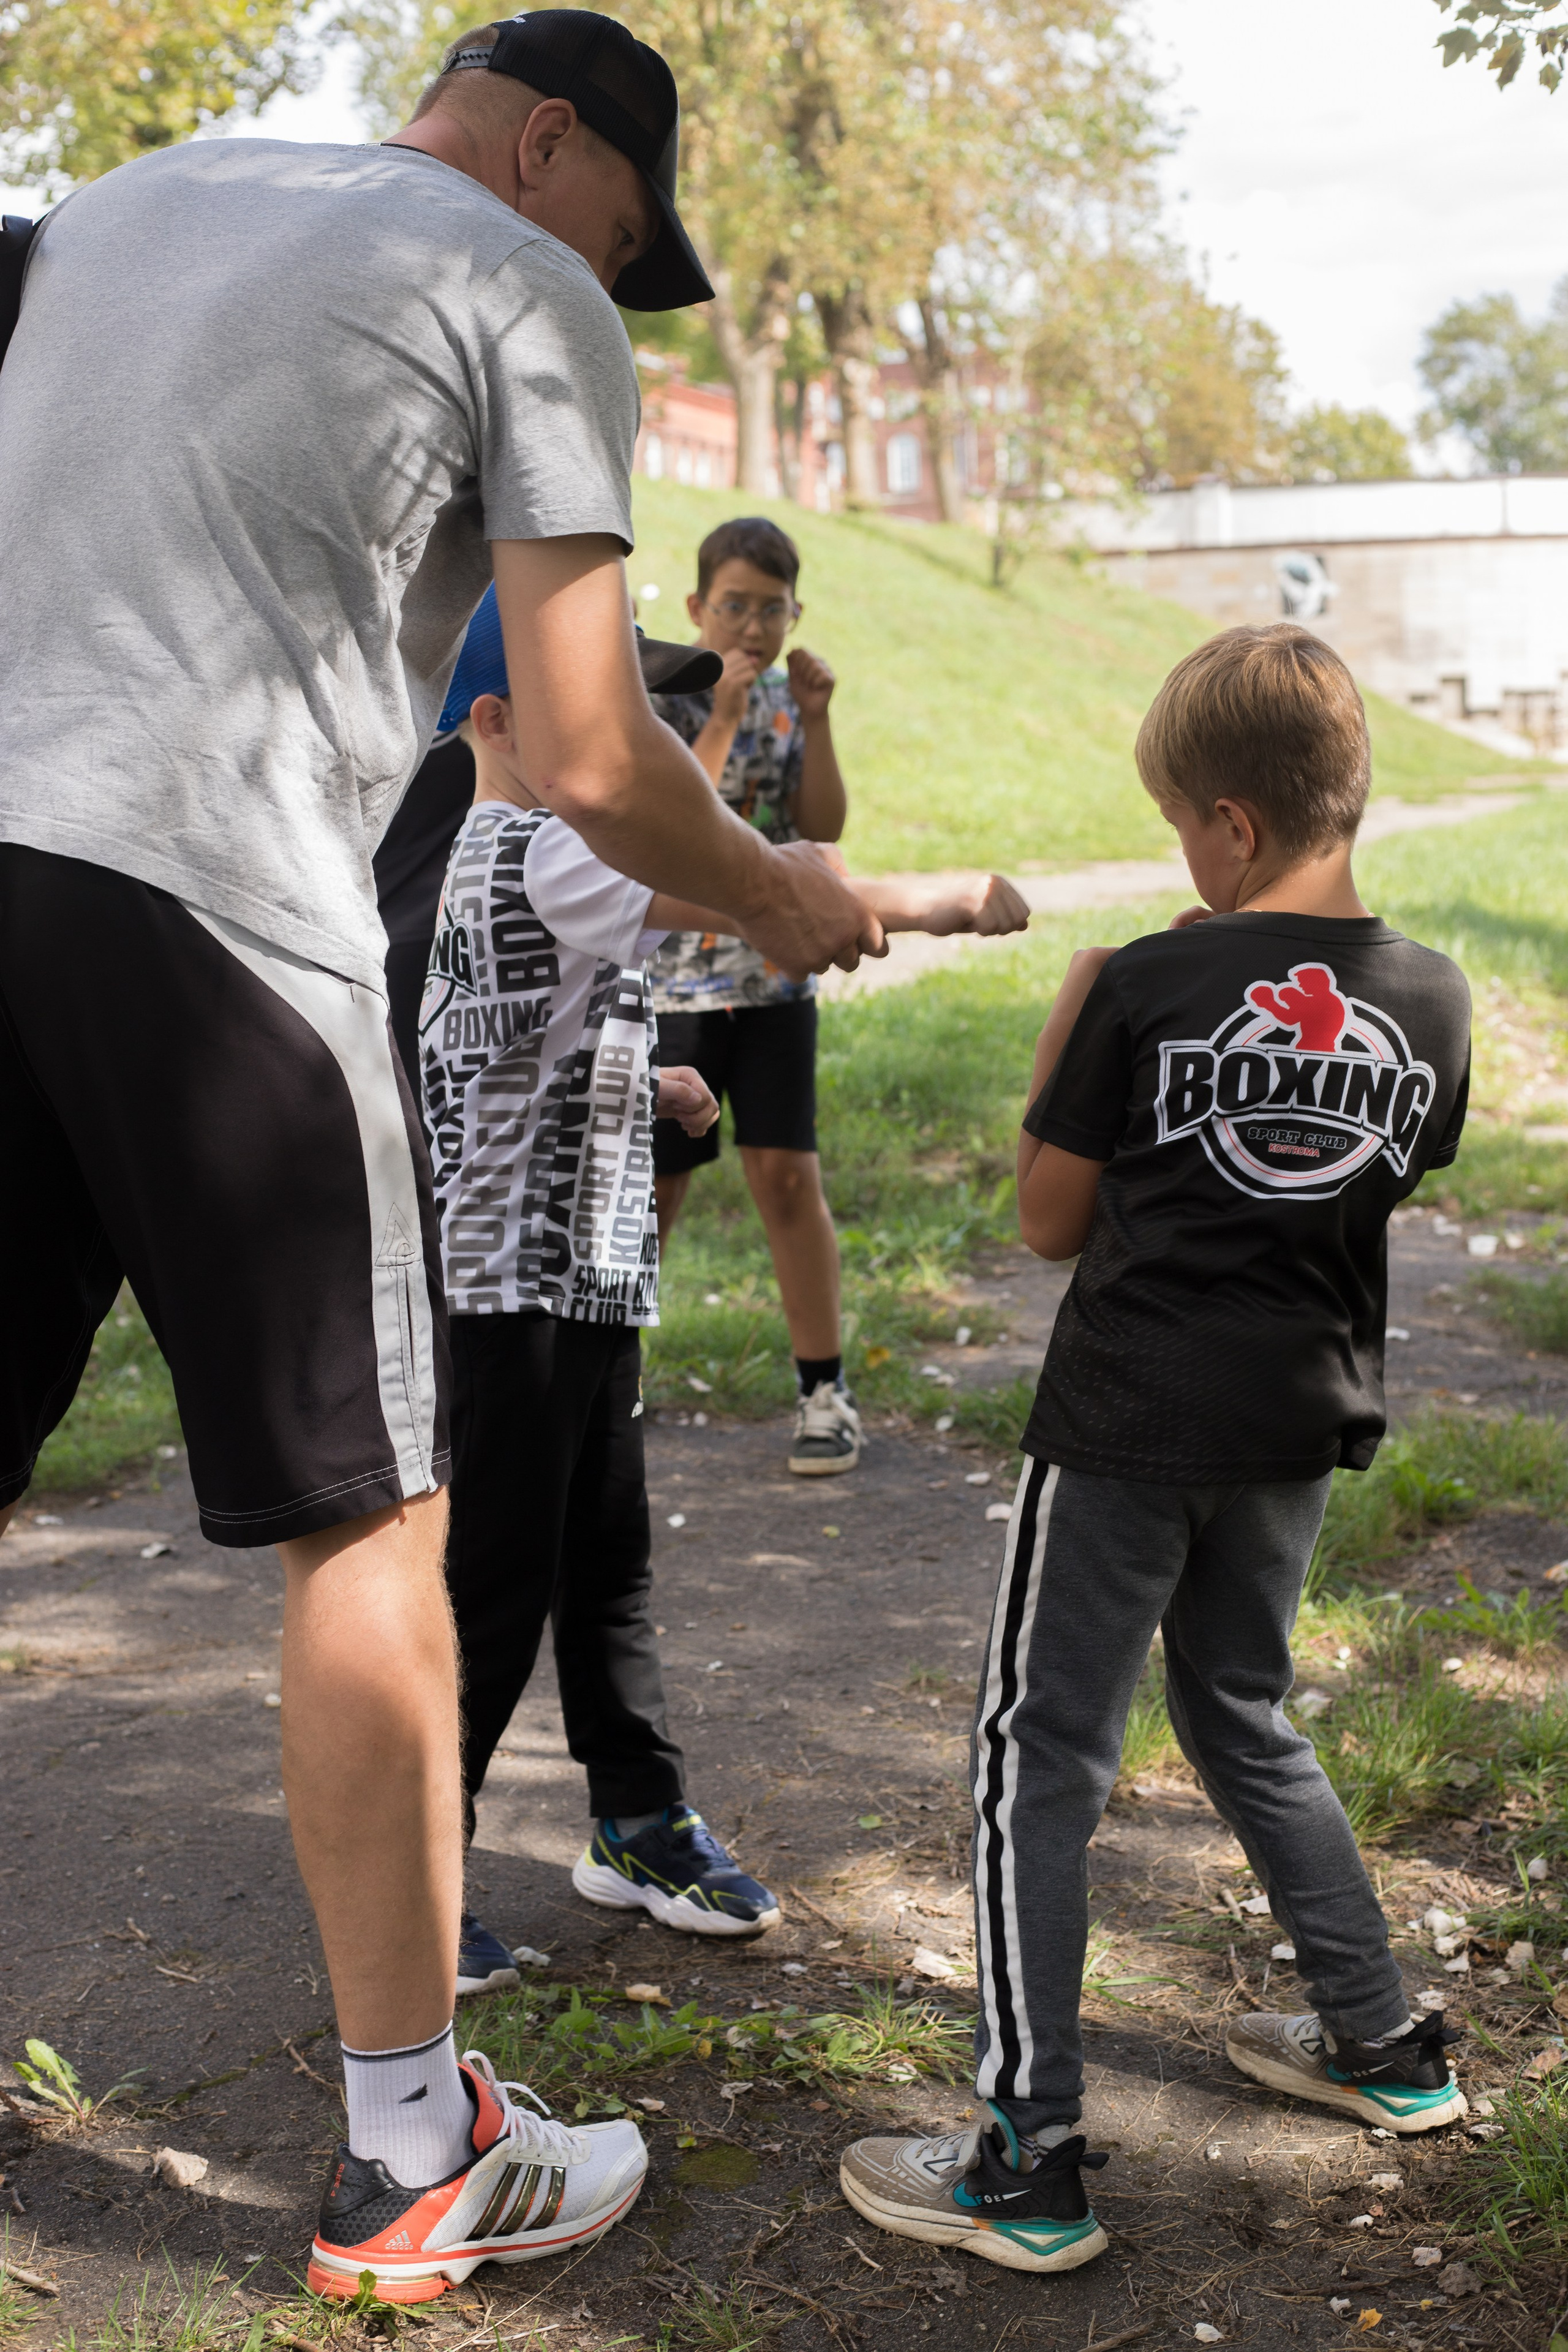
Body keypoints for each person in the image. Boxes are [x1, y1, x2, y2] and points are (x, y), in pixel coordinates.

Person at [0, 7, 880, 2305]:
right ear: (553, 142)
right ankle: (410, 2146)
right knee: (377, 1517)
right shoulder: (520, 282)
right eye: (624, 234)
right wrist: (782, 893)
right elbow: (592, 750)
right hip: (214, 889)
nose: (623, 280)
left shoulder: (127, 198)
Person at [839, 623, 1473, 2274]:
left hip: (1125, 1421)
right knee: (1243, 1712)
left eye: (1181, 823)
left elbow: (1049, 1225)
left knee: (1039, 1759)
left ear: (1231, 828)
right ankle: (1384, 2046)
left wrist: (1080, 1020)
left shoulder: (1140, 982)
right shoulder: (1432, 995)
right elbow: (1380, 1183)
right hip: (1294, 1423)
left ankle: (1027, 2159)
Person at [418, 590, 1031, 1997]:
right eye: (612, 716)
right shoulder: (534, 844)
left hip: (584, 1274)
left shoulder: (531, 852)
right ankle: (418, 1861)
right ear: (503, 722)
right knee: (494, 1586)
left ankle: (634, 1819)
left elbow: (510, 1033)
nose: (648, 743)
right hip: (512, 1289)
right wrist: (927, 900)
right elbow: (737, 894)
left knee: (603, 1565)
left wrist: (651, 1077)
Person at [652, 514, 1015, 1476]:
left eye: (775, 608)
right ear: (696, 606)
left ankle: (823, 1389)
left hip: (773, 978)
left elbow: (824, 823)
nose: (755, 626)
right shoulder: (660, 698)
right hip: (665, 985)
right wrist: (722, 714)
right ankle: (609, 1379)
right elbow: (673, 825)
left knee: (785, 1177)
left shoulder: (779, 699)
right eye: (735, 604)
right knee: (654, 1187)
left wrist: (812, 718)